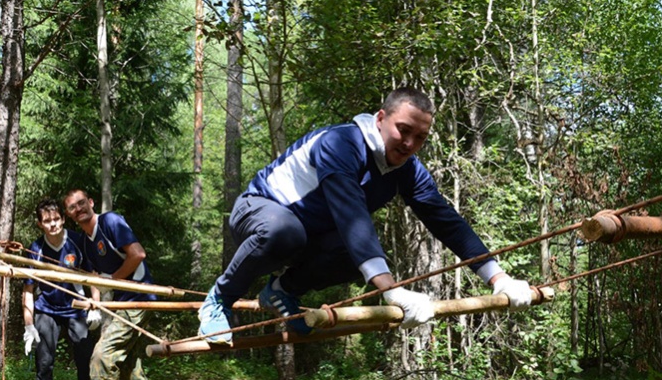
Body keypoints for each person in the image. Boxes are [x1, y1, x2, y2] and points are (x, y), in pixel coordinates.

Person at [198, 87, 537, 345]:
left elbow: (446, 222)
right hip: (258, 214)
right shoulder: (341, 143)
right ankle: (219, 300)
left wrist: (498, 278)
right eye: (402, 130)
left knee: (353, 258)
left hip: (305, 236)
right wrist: (392, 290)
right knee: (288, 231)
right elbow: (350, 213)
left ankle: (280, 291)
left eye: (420, 138)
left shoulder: (407, 170)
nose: (408, 144)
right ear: (380, 118)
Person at [62, 190, 158, 380]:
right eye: (72, 207)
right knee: (129, 364)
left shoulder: (111, 222)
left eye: (82, 203)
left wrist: (112, 280)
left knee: (101, 357)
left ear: (91, 203)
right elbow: (94, 277)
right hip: (120, 303)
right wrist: (95, 303)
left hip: (139, 299)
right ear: (69, 214)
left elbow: (138, 254)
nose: (78, 209)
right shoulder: (84, 241)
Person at [22, 198, 101, 380]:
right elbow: (27, 290)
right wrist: (29, 326)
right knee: (44, 362)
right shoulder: (35, 249)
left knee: (85, 360)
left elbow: (93, 275)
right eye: (47, 221)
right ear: (40, 224)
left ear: (63, 219)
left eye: (56, 219)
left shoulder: (77, 242)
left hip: (76, 309)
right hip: (47, 309)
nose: (53, 224)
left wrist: (95, 306)